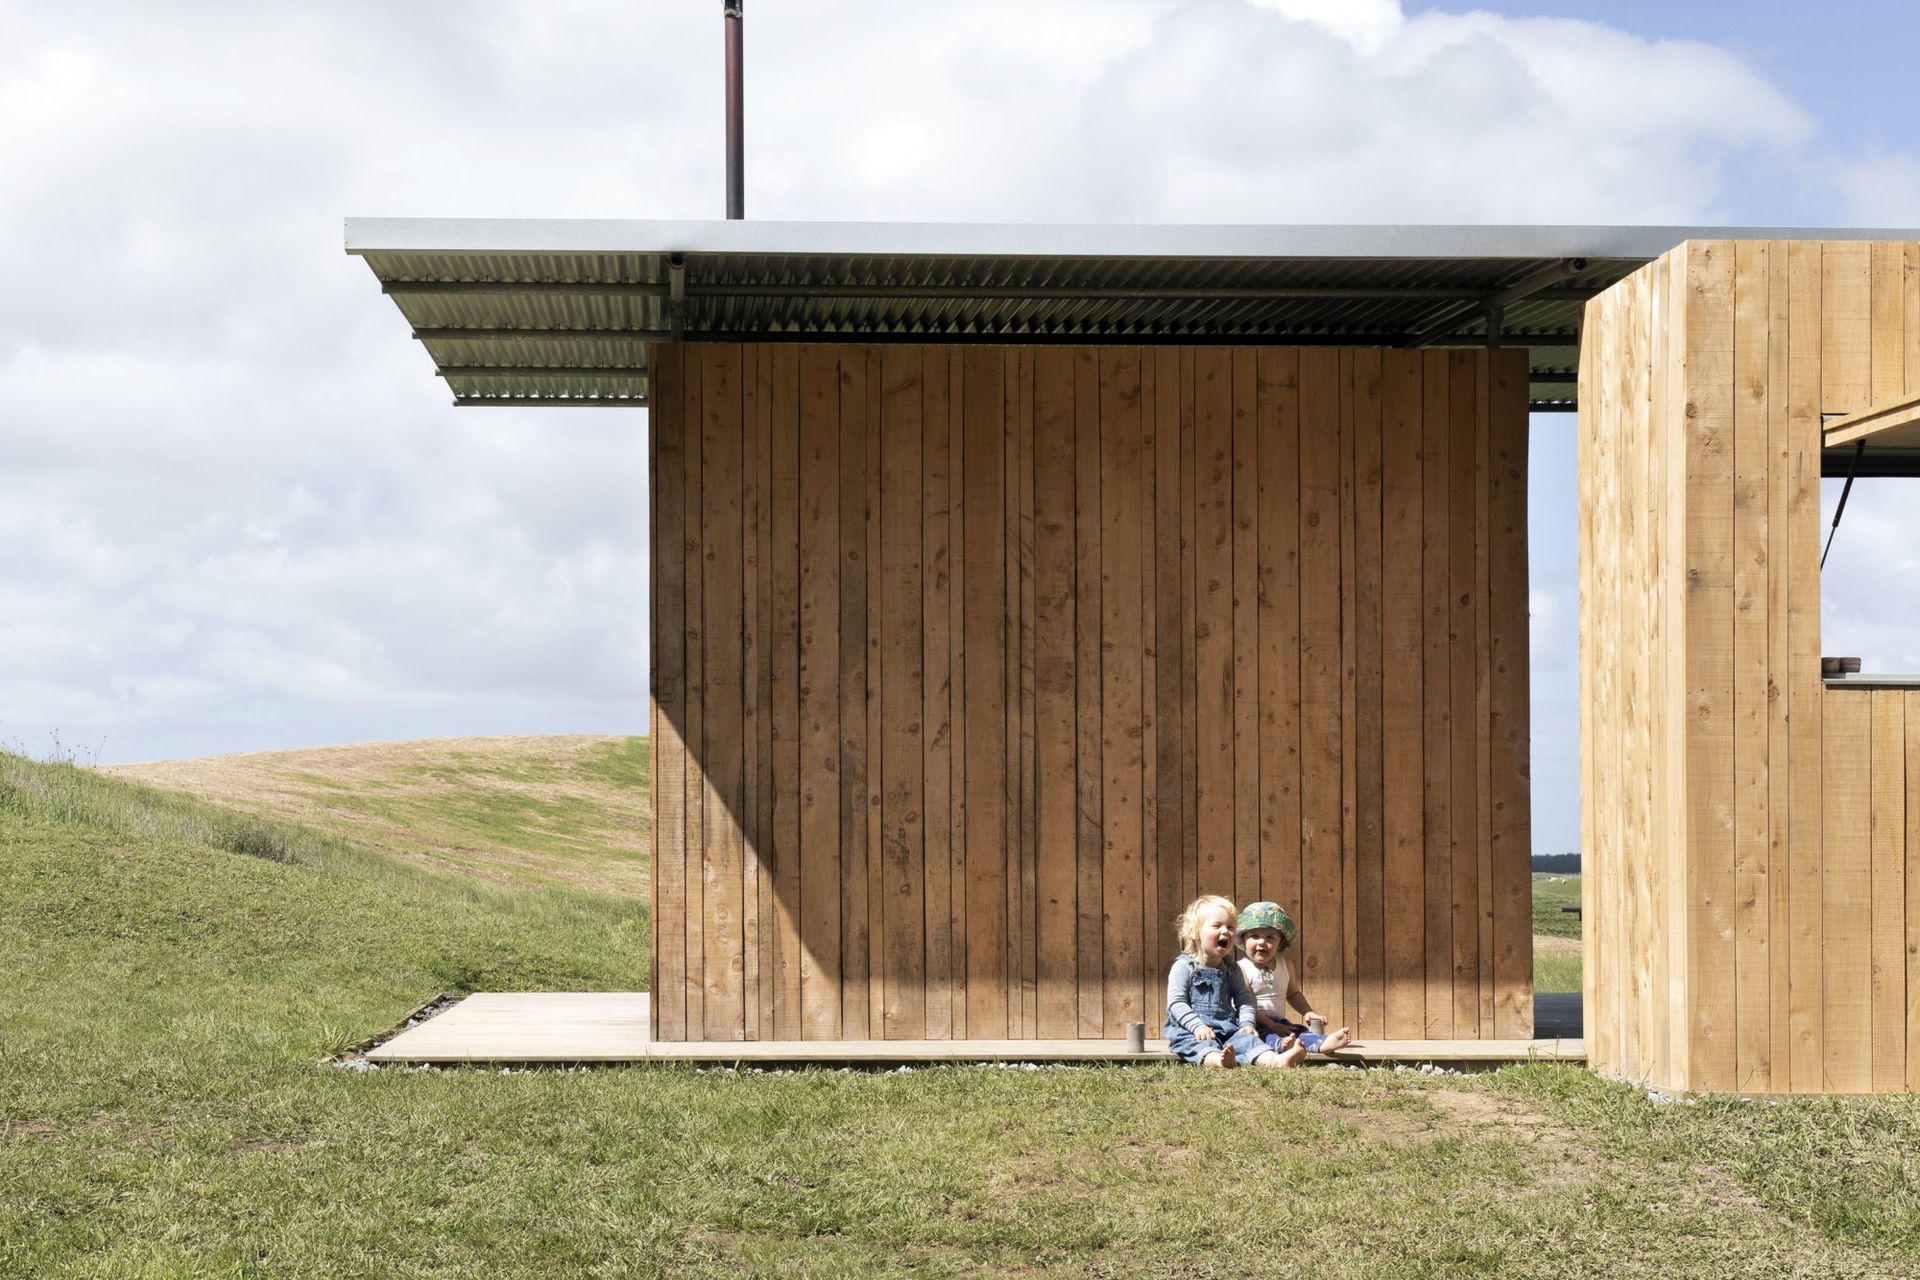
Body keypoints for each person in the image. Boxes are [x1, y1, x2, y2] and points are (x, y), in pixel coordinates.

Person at [1164, 895, 1306, 1069]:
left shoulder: (1232, 968)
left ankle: (1275, 1060)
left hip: (1227, 1027)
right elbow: (1176, 1003)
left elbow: (1244, 999)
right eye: (1217, 926)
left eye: (1230, 927)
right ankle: (1219, 1061)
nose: (1225, 931)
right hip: (1191, 1031)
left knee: (1249, 1041)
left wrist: (1247, 1023)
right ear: (1195, 932)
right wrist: (1197, 1027)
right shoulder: (1183, 966)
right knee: (1202, 1046)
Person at [1234, 901, 1354, 1057]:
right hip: (1249, 1023)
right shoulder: (1241, 968)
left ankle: (1321, 1043)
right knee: (1261, 1035)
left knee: (1297, 1030)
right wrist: (1272, 1025)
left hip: (1278, 1021)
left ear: (1280, 943)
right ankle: (1280, 1045)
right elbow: (1245, 1005)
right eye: (1254, 936)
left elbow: (1293, 994)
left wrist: (1308, 1012)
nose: (1262, 942)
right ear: (1243, 940)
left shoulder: (1286, 966)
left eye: (1270, 937)